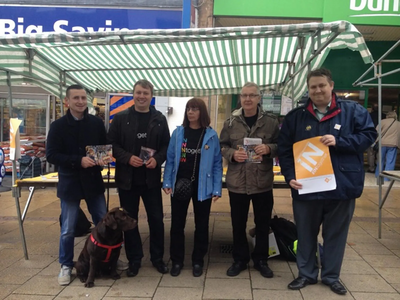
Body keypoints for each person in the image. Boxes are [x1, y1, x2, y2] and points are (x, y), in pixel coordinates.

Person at [277, 68, 377, 295]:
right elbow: (284, 151)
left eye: (322, 85)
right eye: (313, 86)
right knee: (305, 234)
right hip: (307, 187)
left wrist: (340, 141)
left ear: (331, 86)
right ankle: (306, 274)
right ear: (308, 90)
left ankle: (331, 277)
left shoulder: (353, 111)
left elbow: (369, 136)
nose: (318, 90)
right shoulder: (296, 117)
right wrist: (290, 176)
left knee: (335, 235)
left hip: (341, 187)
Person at [107, 79, 170, 277]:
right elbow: (111, 144)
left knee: (156, 220)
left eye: (146, 93)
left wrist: (157, 159)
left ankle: (157, 258)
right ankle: (135, 260)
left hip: (150, 179)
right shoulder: (120, 118)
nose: (142, 96)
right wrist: (126, 158)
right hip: (127, 180)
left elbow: (167, 146)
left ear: (151, 96)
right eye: (138, 92)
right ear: (132, 94)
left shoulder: (159, 119)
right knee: (129, 222)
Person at [46, 84, 108, 286]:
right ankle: (65, 264)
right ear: (67, 101)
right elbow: (51, 155)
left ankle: (108, 259)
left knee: (104, 223)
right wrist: (77, 160)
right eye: (76, 98)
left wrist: (103, 158)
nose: (80, 101)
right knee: (68, 228)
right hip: (70, 182)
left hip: (93, 181)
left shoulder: (96, 124)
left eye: (83, 98)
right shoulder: (57, 126)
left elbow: (104, 148)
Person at [219, 82, 280, 278]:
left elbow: (282, 144)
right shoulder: (230, 122)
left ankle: (261, 260)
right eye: (244, 95)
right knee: (238, 223)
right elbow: (222, 145)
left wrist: (269, 149)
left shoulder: (271, 122)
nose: (247, 99)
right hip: (237, 182)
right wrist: (232, 154)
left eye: (252, 95)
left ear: (258, 98)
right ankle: (240, 259)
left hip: (262, 181)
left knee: (263, 223)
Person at [162, 98, 222, 277]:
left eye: (194, 109)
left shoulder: (211, 135)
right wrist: (167, 182)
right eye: (188, 108)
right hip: (180, 185)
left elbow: (217, 163)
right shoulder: (179, 133)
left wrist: (217, 188)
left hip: (203, 186)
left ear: (201, 112)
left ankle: (198, 261)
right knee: (177, 225)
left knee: (201, 225)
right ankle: (177, 261)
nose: (190, 112)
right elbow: (171, 159)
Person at [375, 111, 400, 181]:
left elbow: (376, 131)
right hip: (393, 144)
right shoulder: (398, 124)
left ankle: (378, 175)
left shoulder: (382, 122)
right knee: (390, 161)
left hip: (382, 143)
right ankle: (387, 178)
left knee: (380, 160)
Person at [367, 104, 385, 173]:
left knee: (371, 153)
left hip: (371, 135)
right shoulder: (384, 116)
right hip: (381, 136)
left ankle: (371, 168)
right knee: (379, 153)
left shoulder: (369, 115)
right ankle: (378, 168)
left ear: (372, 108)